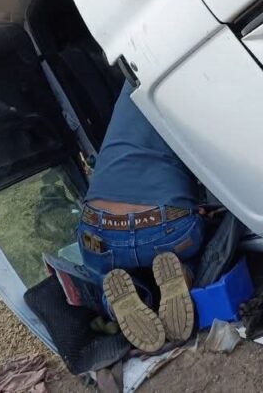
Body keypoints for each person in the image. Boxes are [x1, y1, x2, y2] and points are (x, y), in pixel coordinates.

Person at [76, 84, 203, 352]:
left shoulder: (129, 84)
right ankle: (184, 271)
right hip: (165, 228)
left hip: (99, 231)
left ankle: (117, 299)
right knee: (197, 240)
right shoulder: (189, 85)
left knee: (101, 272)